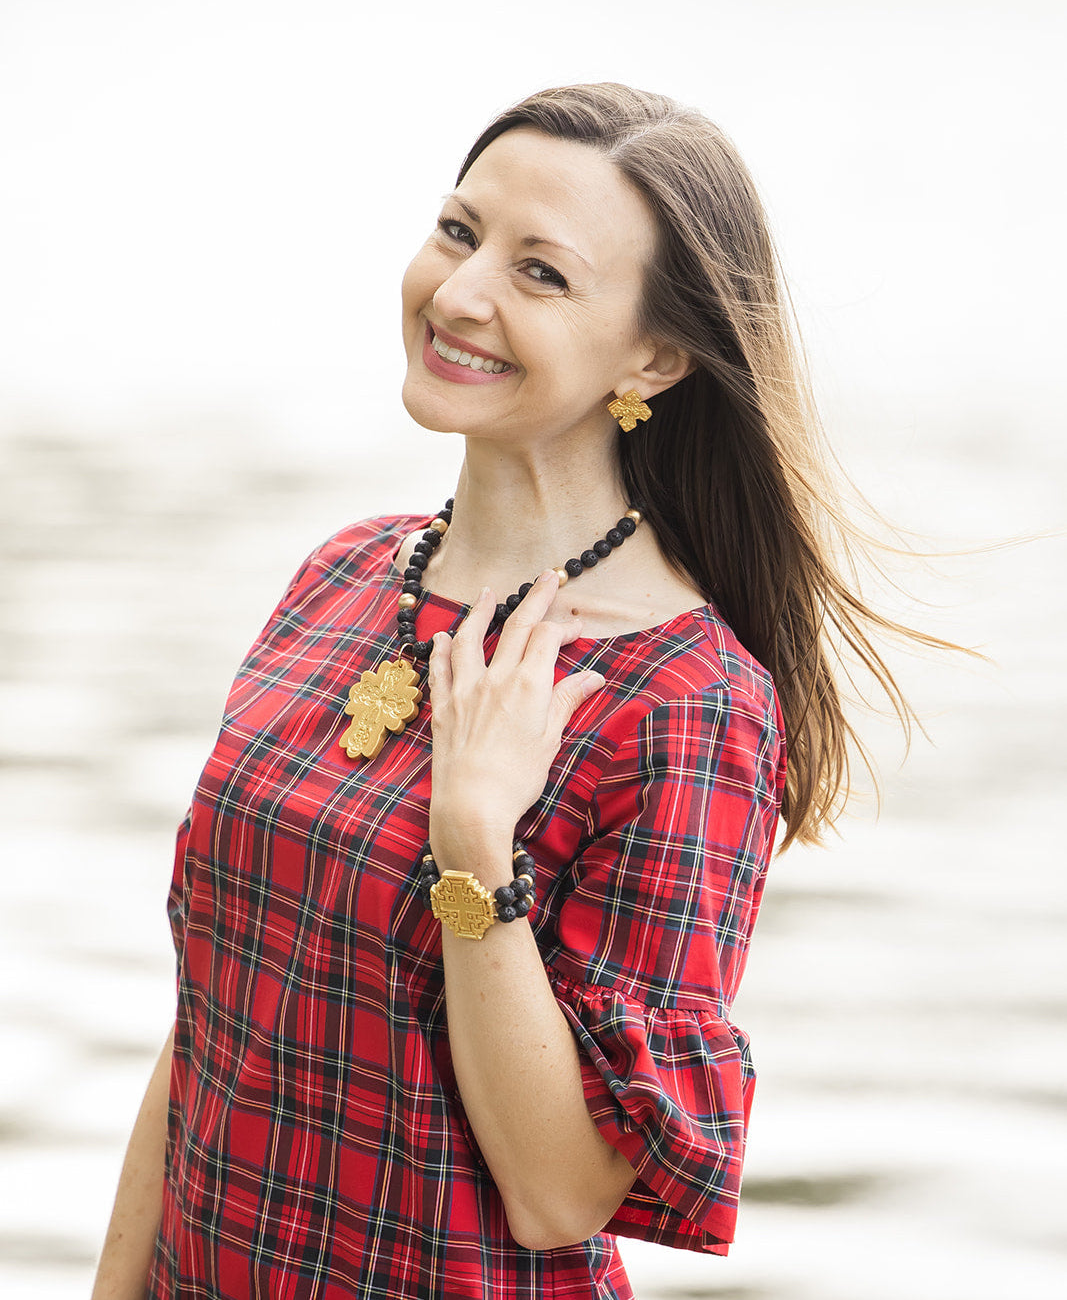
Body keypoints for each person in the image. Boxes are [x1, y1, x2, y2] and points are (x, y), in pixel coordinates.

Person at [92, 82, 922, 1299]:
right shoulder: (341, 576)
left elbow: (561, 1191)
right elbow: (213, 1022)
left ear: (652, 354)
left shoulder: (682, 702)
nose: (461, 292)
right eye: (457, 230)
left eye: (541, 273)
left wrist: (474, 842)